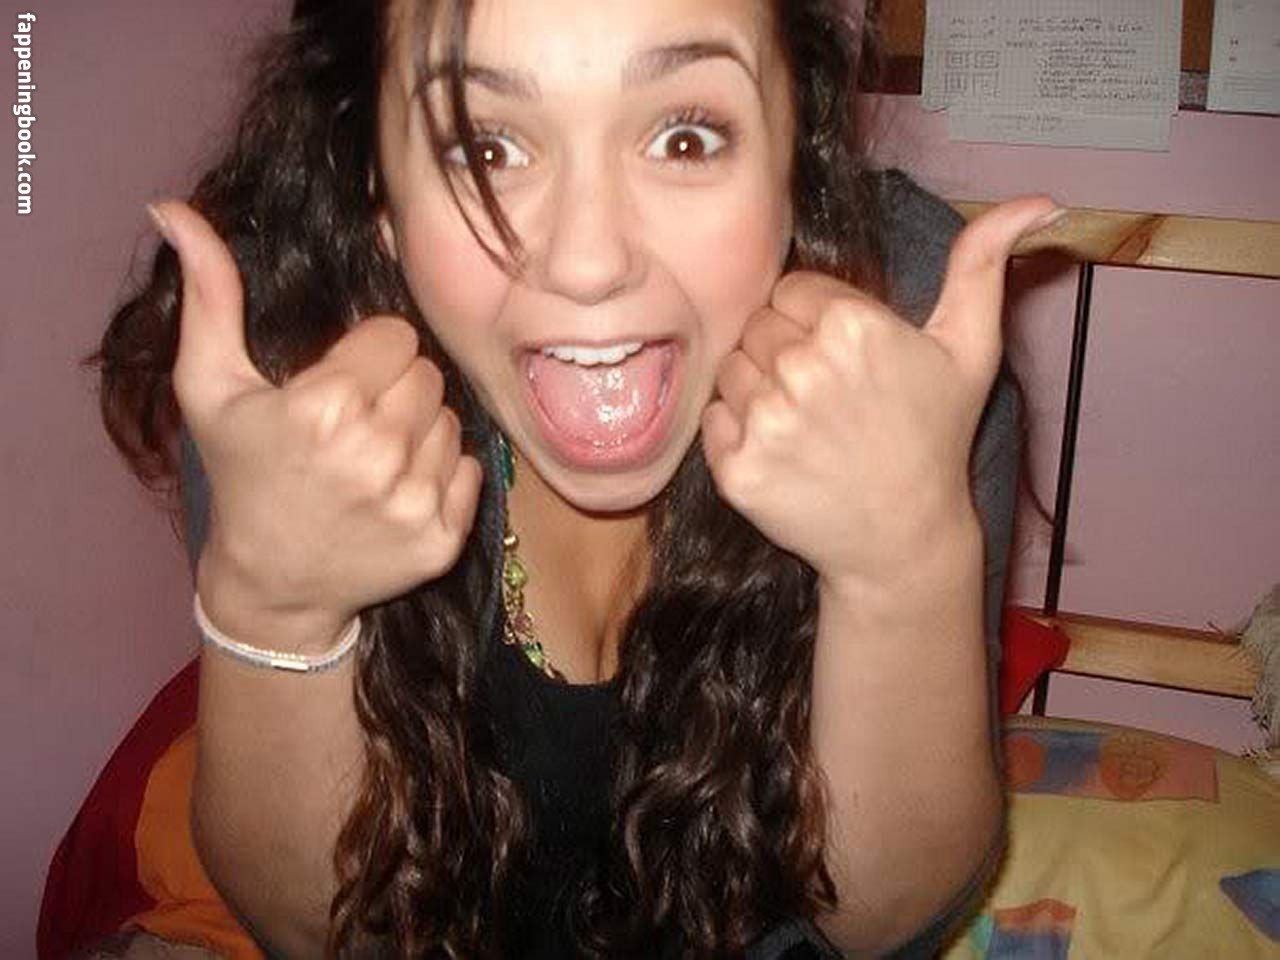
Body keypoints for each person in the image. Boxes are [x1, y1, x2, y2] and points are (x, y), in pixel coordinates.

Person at [97, 0, 1054, 956]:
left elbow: (882, 923)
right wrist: (272, 608)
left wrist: (903, 563)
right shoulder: (290, 362)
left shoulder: (903, 337)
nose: (589, 263)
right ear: (378, 196)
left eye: (685, 138)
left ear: (793, 162)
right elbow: (324, 936)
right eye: (484, 149)